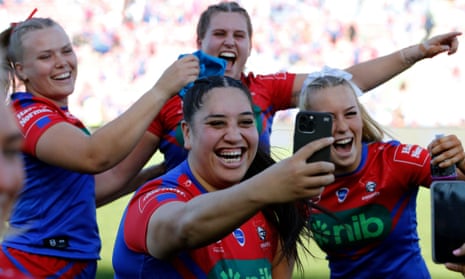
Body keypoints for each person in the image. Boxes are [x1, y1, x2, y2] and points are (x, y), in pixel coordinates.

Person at [113, 1, 461, 182]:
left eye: (239, 35)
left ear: (250, 46)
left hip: (256, 229)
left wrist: (414, 53)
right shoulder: (169, 100)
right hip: (188, 228)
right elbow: (114, 177)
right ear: (199, 42)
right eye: (219, 34)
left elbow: (341, 81)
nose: (229, 41)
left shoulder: (265, 88)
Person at [0, 16, 199, 278]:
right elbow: (95, 156)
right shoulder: (30, 115)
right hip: (36, 263)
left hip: (65, 261)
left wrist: (163, 170)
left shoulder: (60, 117)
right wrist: (160, 91)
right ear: (21, 70)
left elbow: (99, 184)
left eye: (67, 50)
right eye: (46, 56)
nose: (62, 62)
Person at [112, 75, 336, 278]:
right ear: (187, 133)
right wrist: (266, 187)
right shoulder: (154, 198)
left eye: (246, 122)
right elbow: (184, 227)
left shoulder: (267, 212)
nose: (234, 135)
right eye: (217, 123)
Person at [298, 66, 465, 279]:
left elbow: (460, 186)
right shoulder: (298, 181)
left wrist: (462, 160)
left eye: (350, 114)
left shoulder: (395, 159)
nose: (342, 127)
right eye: (328, 119)